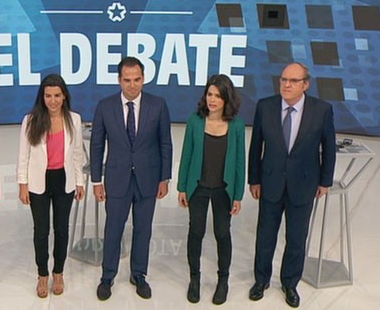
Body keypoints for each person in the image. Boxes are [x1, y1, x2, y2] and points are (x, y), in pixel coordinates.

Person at [247, 62, 336, 308]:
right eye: (283, 79)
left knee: (296, 239)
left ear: (305, 84)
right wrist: (254, 179)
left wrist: (325, 181)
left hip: (304, 185)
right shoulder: (265, 107)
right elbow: (256, 147)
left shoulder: (322, 110)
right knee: (265, 236)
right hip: (270, 183)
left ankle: (289, 283)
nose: (286, 84)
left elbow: (329, 147)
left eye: (293, 81)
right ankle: (261, 280)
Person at [90, 56, 173, 301]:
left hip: (149, 178)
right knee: (113, 228)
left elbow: (165, 143)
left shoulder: (158, 105)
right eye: (127, 80)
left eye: (137, 79)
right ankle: (107, 276)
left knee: (143, 229)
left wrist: (165, 178)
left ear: (143, 78)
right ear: (119, 80)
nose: (132, 85)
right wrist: (97, 180)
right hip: (116, 178)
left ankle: (139, 274)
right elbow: (96, 145)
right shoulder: (105, 106)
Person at [176, 74, 246, 305]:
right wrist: (182, 187)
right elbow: (186, 155)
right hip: (198, 188)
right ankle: (194, 279)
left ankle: (222, 281)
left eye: (218, 95)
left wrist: (238, 195)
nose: (212, 100)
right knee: (195, 232)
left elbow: (239, 163)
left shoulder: (236, 125)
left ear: (227, 99)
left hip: (223, 191)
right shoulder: (195, 120)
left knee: (222, 233)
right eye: (209, 94)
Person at [17, 74, 85, 298]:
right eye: (48, 96)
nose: (53, 100)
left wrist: (79, 181)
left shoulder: (74, 119)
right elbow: (23, 155)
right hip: (39, 182)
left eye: (57, 95)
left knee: (62, 230)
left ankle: (58, 272)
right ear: (42, 96)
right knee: (41, 231)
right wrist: (22, 184)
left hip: (63, 181)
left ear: (64, 96)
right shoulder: (31, 120)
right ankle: (42, 274)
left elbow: (76, 154)